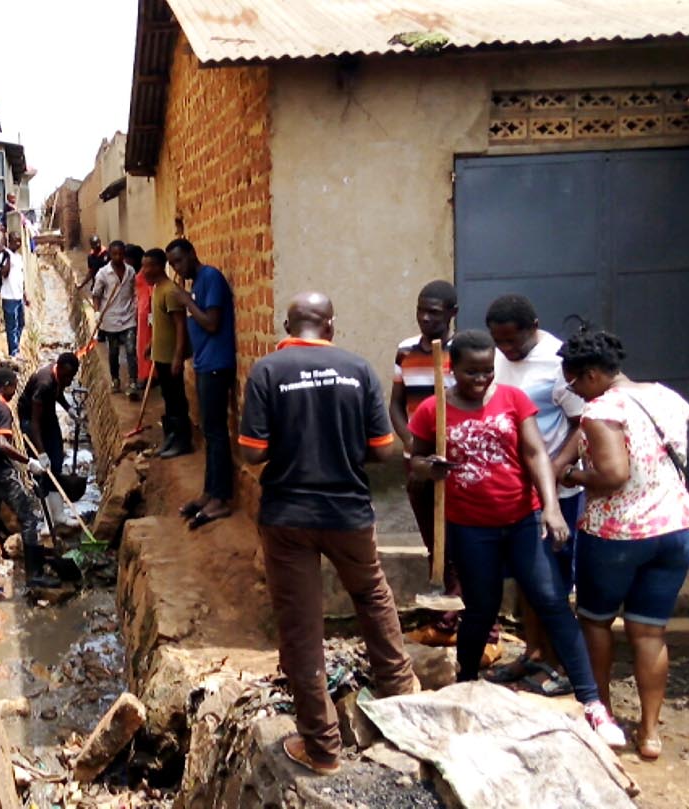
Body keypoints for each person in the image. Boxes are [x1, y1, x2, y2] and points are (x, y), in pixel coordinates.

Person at [408, 330, 626, 747]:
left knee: (549, 598)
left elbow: (535, 453)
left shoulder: (512, 399)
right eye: (472, 372)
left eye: (487, 371)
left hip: (522, 517)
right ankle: (466, 685)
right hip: (470, 525)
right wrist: (427, 467)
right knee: (482, 607)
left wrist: (551, 506)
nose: (481, 379)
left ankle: (593, 704)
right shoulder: (433, 410)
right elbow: (414, 462)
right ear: (453, 369)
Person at [238, 292, 419, 775]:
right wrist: (341, 446)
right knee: (373, 596)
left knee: (301, 624)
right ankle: (402, 698)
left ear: (287, 325)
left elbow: (252, 453)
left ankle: (322, 748)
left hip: (288, 516)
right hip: (349, 513)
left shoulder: (267, 372)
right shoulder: (357, 369)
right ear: (332, 325)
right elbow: (384, 451)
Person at [557, 329, 689, 761]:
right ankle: (651, 733)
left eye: (576, 383)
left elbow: (614, 474)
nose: (575, 392)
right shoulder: (666, 396)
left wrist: (575, 476)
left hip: (617, 535)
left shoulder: (601, 411)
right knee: (650, 632)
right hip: (675, 530)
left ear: (594, 374)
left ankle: (603, 715)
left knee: (596, 622)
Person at [483, 294, 586, 692]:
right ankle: (533, 652)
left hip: (556, 491)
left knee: (554, 583)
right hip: (512, 490)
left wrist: (553, 473)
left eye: (513, 342)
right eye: (500, 342)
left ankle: (559, 664)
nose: (507, 350)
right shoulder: (494, 358)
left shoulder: (559, 360)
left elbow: (581, 423)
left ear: (534, 326)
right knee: (527, 578)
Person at [389, 282, 465, 646]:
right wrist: (411, 445)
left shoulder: (465, 354)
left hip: (454, 463)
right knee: (434, 543)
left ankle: (461, 622)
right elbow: (396, 404)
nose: (425, 318)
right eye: (421, 310)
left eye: (434, 312)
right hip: (416, 461)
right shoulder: (405, 350)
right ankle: (444, 619)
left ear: (453, 313)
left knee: (461, 542)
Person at [0, 366, 59, 594]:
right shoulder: (2, 410)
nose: (15, 390)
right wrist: (29, 462)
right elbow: (3, 445)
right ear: (6, 385)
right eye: (14, 386)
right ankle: (34, 576)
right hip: (2, 475)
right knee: (29, 518)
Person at [166, 238, 237, 529]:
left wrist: (186, 301)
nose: (177, 269)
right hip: (205, 365)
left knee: (217, 433)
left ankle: (220, 498)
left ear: (192, 255)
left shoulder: (211, 278)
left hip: (217, 367)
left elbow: (211, 323)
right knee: (211, 432)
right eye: (172, 264)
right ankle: (209, 492)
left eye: (179, 262)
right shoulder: (197, 283)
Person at [19, 352, 82, 528]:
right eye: (66, 376)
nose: (68, 380)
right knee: (42, 471)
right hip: (31, 421)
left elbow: (57, 392)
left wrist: (68, 408)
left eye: (72, 377)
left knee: (56, 464)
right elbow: (34, 423)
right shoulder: (43, 383)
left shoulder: (60, 377)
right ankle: (47, 522)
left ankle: (59, 515)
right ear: (59, 369)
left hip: (48, 416)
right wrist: (40, 452)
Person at [143, 248, 191, 458]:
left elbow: (180, 326)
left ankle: (182, 441)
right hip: (160, 356)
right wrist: (151, 344)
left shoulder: (170, 291)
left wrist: (178, 357)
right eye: (143, 266)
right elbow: (161, 324)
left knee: (177, 399)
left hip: (170, 357)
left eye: (148, 266)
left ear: (159, 266)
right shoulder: (157, 289)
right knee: (169, 398)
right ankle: (170, 437)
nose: (144, 271)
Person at [91, 240, 142, 400]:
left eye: (121, 254)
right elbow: (96, 294)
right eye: (115, 254)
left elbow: (134, 290)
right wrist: (97, 312)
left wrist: (136, 307)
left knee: (130, 350)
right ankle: (115, 380)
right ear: (110, 255)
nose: (118, 257)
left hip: (128, 318)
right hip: (110, 320)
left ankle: (133, 382)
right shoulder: (103, 274)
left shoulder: (131, 271)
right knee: (113, 352)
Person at [126, 244, 153, 390]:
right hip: (140, 318)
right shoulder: (136, 275)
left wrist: (150, 321)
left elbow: (151, 299)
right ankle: (144, 375)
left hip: (147, 319)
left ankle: (149, 376)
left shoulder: (144, 276)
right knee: (140, 347)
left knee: (146, 347)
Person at [0, 232, 29, 358]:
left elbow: (20, 277)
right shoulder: (4, 256)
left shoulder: (19, 257)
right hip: (8, 296)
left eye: (19, 241)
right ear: (9, 241)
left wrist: (25, 294)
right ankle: (13, 352)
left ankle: (15, 346)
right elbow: (4, 273)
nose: (18, 243)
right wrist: (8, 257)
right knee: (11, 326)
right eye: (15, 241)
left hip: (18, 296)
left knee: (21, 323)